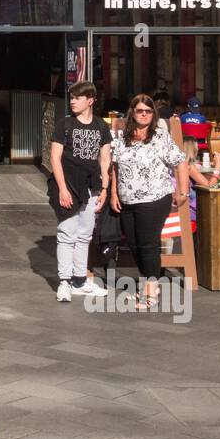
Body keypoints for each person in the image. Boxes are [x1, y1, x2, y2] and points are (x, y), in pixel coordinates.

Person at [111, 93, 187, 311]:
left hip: (154, 198)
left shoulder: (160, 136)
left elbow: (180, 161)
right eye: (139, 110)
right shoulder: (123, 136)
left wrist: (182, 190)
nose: (143, 114)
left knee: (148, 244)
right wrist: (114, 193)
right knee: (134, 244)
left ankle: (150, 292)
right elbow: (115, 166)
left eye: (148, 111)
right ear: (132, 112)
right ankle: (148, 283)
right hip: (127, 198)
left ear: (153, 114)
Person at [49, 81, 112, 303]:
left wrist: (105, 188)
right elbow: (54, 158)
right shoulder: (64, 124)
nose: (73, 101)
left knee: (84, 235)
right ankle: (64, 282)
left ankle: (80, 281)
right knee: (67, 233)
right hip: (68, 184)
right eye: (72, 97)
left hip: (92, 185)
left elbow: (105, 159)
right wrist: (62, 188)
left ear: (91, 100)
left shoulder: (101, 127)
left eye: (78, 97)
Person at [179, 137, 217, 223]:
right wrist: (217, 166)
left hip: (183, 207)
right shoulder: (189, 166)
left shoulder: (179, 163)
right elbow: (210, 185)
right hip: (191, 211)